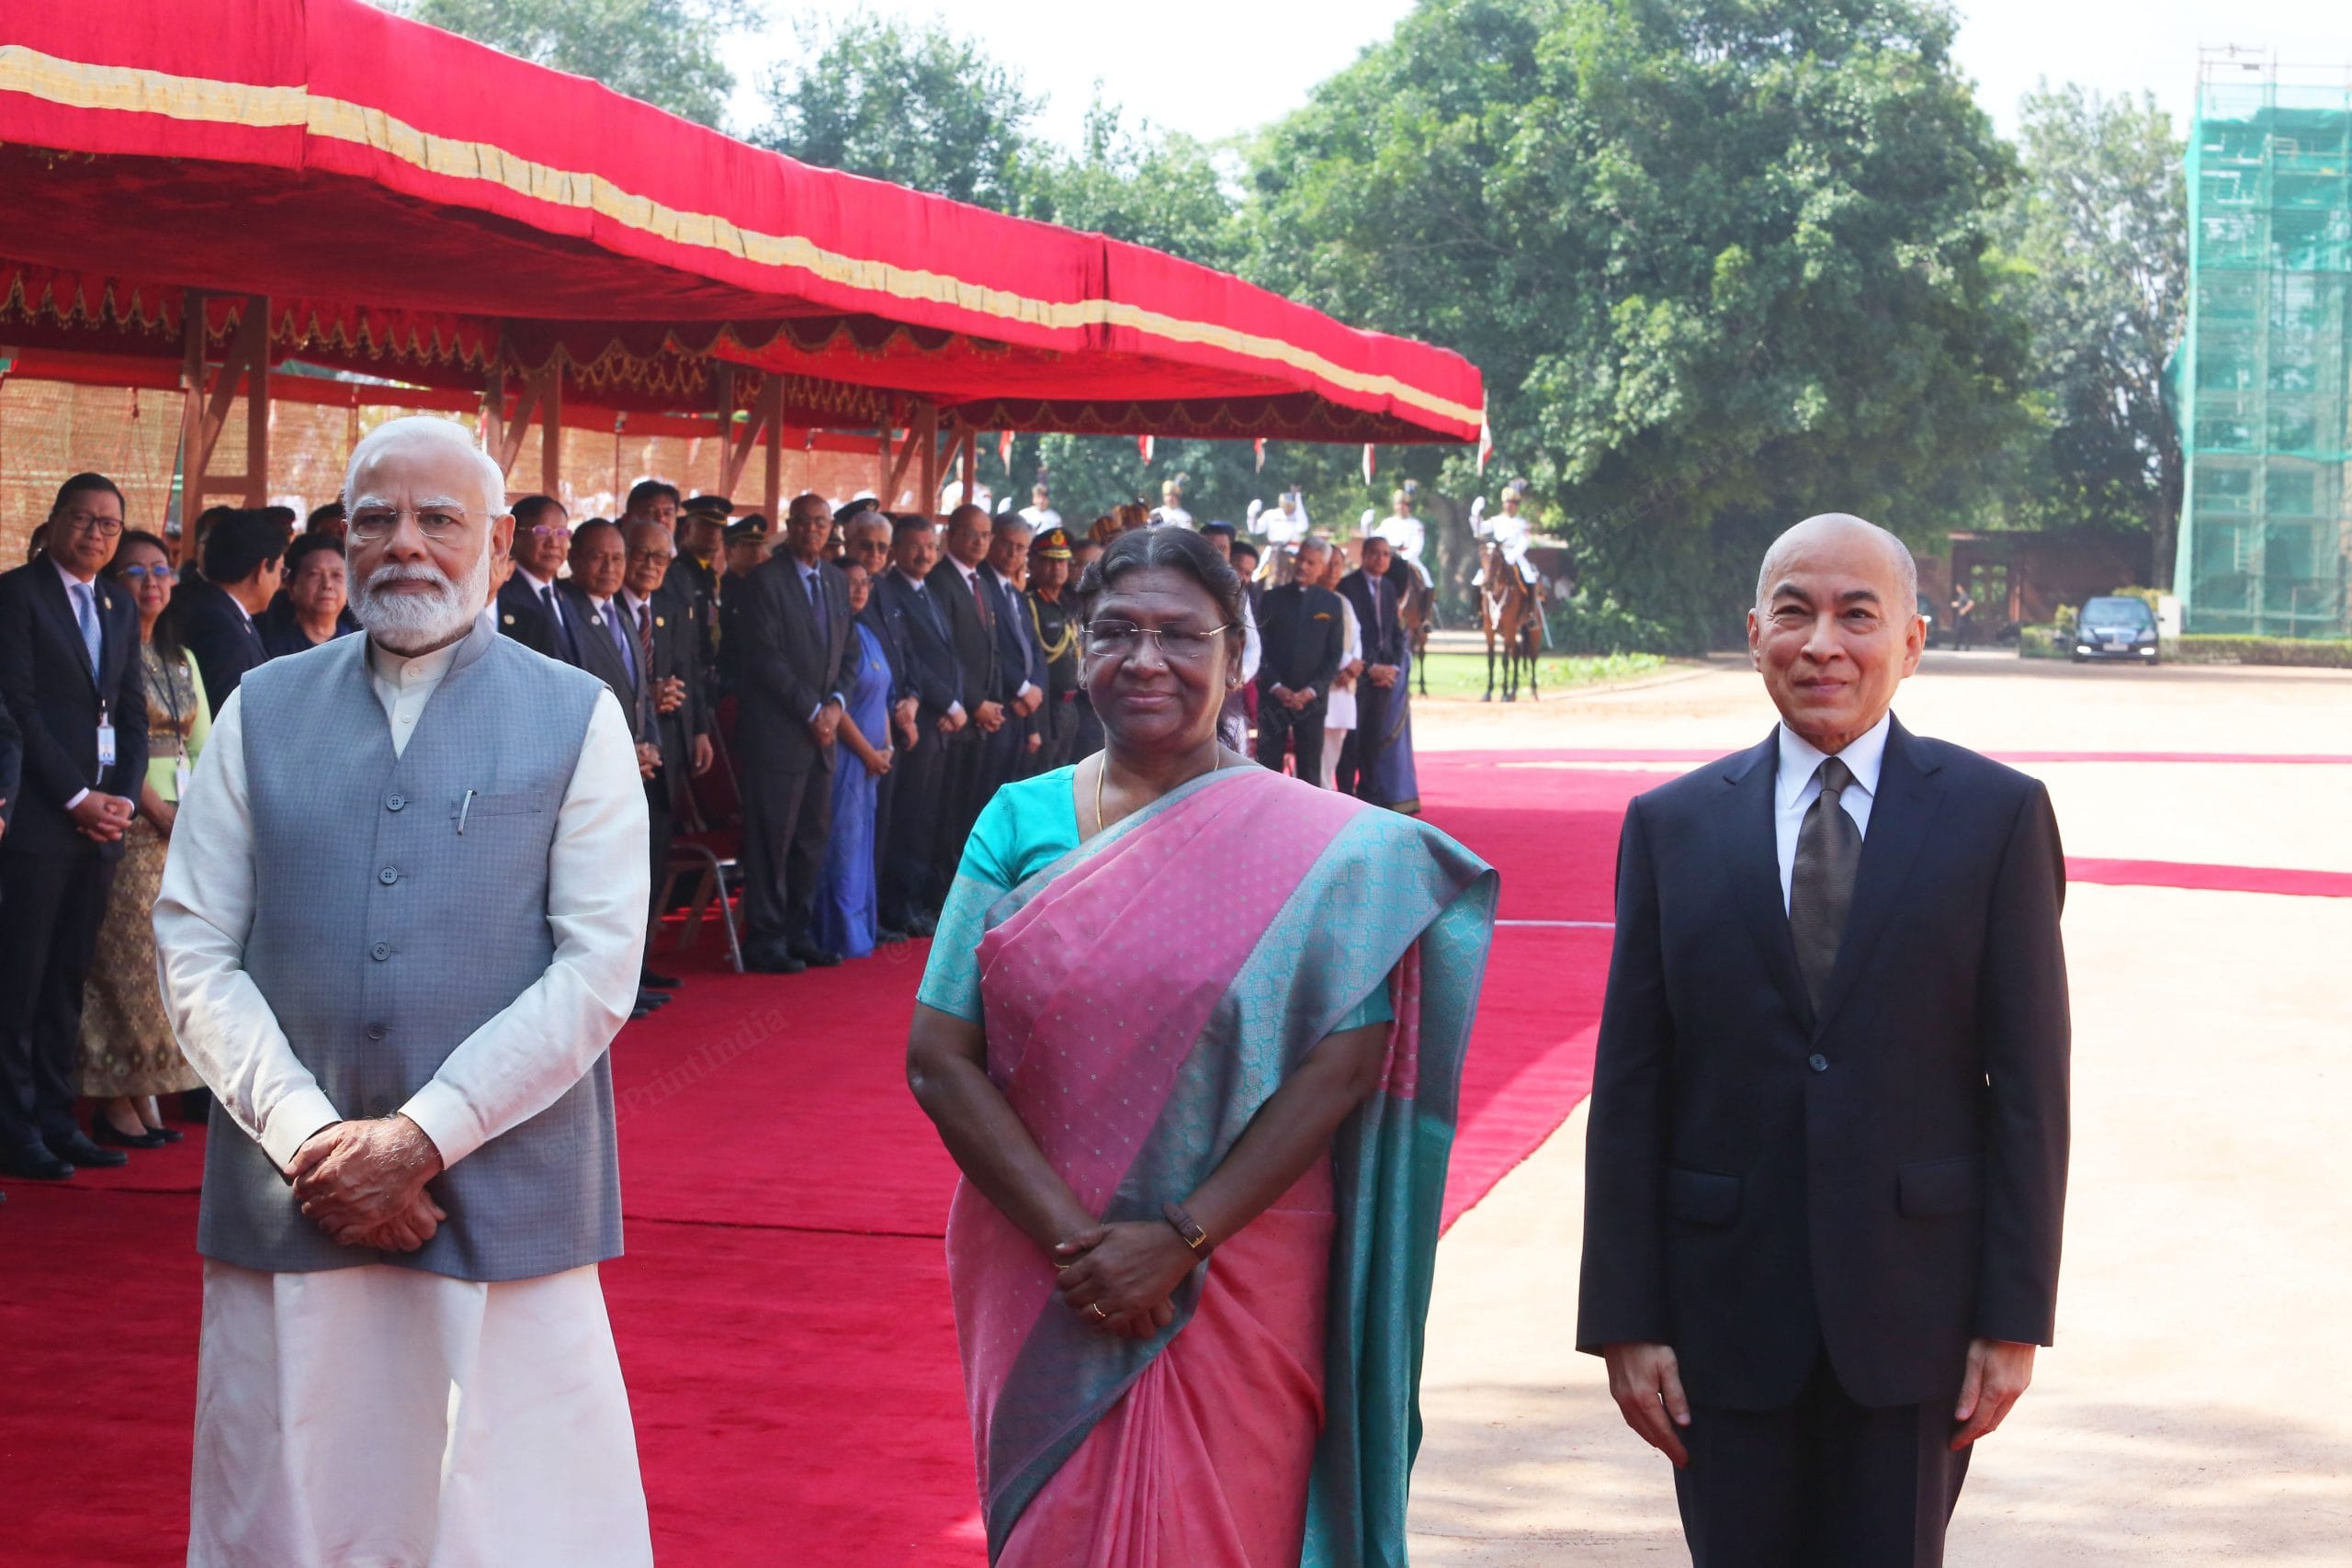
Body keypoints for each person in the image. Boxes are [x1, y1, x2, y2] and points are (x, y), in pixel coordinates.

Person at [907, 524, 1496, 1564]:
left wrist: (1178, 1240)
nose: (1145, 661)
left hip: (1238, 1264)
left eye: (1180, 636)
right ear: (1077, 646)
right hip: (1045, 1267)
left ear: (1236, 653)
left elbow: (1344, 1064)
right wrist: (1080, 1252)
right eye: (1114, 632)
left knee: (1229, 1523)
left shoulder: (1312, 844)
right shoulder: (1018, 820)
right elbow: (938, 1055)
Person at [156, 416, 652, 1565]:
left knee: (509, 1507)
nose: (405, 549)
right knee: (290, 1498)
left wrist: (423, 1138)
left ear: (494, 541)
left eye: (439, 521)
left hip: (501, 1187)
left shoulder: (575, 715)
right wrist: (314, 1143)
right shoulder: (260, 711)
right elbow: (193, 945)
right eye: (376, 520)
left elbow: (595, 968)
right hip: (296, 1193)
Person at [1577, 513, 2069, 1568]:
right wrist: (1625, 1316)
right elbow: (1631, 1084)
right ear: (1754, 632)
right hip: (1719, 1317)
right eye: (1794, 613)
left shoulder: (1996, 817)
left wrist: (2013, 1313)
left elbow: (2029, 1084)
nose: (1822, 644)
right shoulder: (1672, 826)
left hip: (1917, 1315)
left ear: (1912, 642)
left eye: (1857, 615)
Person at [0, 473, 142, 1180]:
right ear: (54, 521)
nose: (96, 533)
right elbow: (18, 707)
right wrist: (77, 797)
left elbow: (133, 710)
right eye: (83, 519)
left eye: (110, 524)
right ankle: (14, 1126)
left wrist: (117, 799)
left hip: (102, 826)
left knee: (68, 979)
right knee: (19, 980)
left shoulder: (118, 603)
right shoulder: (16, 595)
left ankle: (58, 1118)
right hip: (38, 818)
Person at [77, 529, 207, 1150]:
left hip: (183, 829)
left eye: (162, 569)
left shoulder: (182, 658)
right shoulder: (102, 647)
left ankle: (148, 1091)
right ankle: (115, 1099)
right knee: (122, 964)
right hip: (129, 820)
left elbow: (204, 745)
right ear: (112, 583)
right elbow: (108, 743)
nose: (152, 582)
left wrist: (199, 816)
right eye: (136, 571)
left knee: (165, 966)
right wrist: (154, 809)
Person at [735, 492, 853, 974]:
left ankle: (798, 933)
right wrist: (811, 710)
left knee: (811, 837)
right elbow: (764, 658)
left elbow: (847, 653)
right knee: (772, 840)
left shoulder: (837, 583)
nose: (813, 531)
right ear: (789, 526)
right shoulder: (764, 581)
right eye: (803, 522)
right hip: (779, 733)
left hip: (823, 733)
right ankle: (765, 940)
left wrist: (835, 706)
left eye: (821, 523)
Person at [621, 520, 713, 999]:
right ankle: (619, 978)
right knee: (620, 869)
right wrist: (647, 696)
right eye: (642, 554)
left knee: (655, 860)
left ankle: (642, 962)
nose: (651, 566)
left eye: (662, 559)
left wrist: (697, 726)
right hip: (622, 755)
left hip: (668, 750)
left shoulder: (671, 605)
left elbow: (689, 670)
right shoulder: (608, 606)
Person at [873, 514, 961, 938]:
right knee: (905, 819)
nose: (924, 554)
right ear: (896, 550)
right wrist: (946, 701)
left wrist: (955, 701)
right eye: (914, 546)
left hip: (941, 722)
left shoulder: (928, 591)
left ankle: (914, 900)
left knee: (928, 818)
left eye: (930, 546)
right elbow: (913, 662)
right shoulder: (888, 591)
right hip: (914, 721)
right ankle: (895, 905)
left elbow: (949, 652)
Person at [810, 559, 898, 959]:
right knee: (842, 846)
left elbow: (882, 694)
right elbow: (837, 705)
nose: (860, 590)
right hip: (847, 756)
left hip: (874, 760)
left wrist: (888, 747)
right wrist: (867, 752)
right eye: (850, 584)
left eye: (865, 583)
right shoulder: (832, 634)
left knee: (864, 844)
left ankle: (864, 929)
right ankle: (838, 935)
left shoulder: (868, 633)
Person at [928, 504, 1005, 900]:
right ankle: (940, 890)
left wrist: (990, 703)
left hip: (982, 718)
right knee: (946, 810)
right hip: (955, 714)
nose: (979, 542)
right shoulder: (940, 581)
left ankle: (962, 889)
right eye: (972, 533)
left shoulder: (982, 582)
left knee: (971, 811)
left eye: (985, 535)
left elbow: (989, 650)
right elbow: (946, 652)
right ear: (952, 534)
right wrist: (974, 703)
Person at [1337, 536, 1419, 813]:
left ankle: (1369, 799)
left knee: (1372, 740)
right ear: (1364, 555)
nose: (1381, 559)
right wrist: (1371, 667)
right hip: (1358, 676)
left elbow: (1395, 633)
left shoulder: (1390, 586)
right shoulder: (1348, 586)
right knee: (1353, 740)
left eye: (1386, 554)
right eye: (1375, 553)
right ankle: (1345, 797)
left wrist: (1393, 666)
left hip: (1384, 679)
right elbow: (1352, 635)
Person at [1253, 536, 1343, 784]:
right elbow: (1260, 649)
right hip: (1273, 699)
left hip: (1311, 703)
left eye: (1311, 563)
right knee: (1267, 770)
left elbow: (1333, 656)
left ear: (1322, 568)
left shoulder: (1332, 604)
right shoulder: (1272, 599)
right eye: (1301, 559)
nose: (1303, 566)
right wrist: (1276, 687)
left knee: (1310, 773)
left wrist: (1312, 690)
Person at [175, 507, 282, 715]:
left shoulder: (225, 612)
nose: (280, 581)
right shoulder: (219, 627)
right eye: (280, 569)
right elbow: (227, 713)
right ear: (261, 570)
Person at [982, 517, 1047, 785]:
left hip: (1024, 709)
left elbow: (1035, 650)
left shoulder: (1015, 593)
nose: (1013, 553)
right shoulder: (981, 585)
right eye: (1007, 545)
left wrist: (1036, 691)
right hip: (999, 705)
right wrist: (1022, 690)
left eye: (1021, 548)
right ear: (992, 541)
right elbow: (994, 648)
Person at [1022, 528, 1082, 774]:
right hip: (1044, 706)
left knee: (1065, 773)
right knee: (1040, 774)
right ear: (1033, 563)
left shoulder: (1069, 604)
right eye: (1048, 560)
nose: (1057, 567)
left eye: (1061, 561)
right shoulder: (1029, 604)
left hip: (1070, 706)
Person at [495, 494, 579, 661]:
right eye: (542, 531)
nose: (554, 542)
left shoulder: (568, 600)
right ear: (514, 535)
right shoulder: (500, 595)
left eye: (562, 532)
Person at [260, 533, 356, 658]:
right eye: (314, 574)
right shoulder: (271, 648)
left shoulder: (363, 645)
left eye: (336, 575)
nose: (327, 585)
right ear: (291, 586)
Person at [1317, 541, 1363, 791]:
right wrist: (1346, 664)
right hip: (1323, 685)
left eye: (1339, 565)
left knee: (1334, 749)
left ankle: (1326, 790)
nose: (1335, 570)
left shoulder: (1343, 601)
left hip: (1345, 687)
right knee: (1318, 752)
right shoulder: (1312, 599)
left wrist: (1355, 664)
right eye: (1330, 564)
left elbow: (1356, 636)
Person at [1471, 479, 1541, 588]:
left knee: (1529, 577)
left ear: (1517, 505)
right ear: (1503, 504)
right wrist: (1475, 514)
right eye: (1507, 502)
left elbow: (1524, 542)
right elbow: (1479, 529)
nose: (1510, 505)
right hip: (1497, 554)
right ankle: (1477, 605)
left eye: (1513, 503)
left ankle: (1533, 605)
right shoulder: (1496, 520)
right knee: (1478, 580)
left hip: (1516, 556)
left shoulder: (1523, 523)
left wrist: (1511, 556)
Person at [1364, 483, 1433, 589]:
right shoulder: (1388, 523)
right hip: (1387, 558)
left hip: (1408, 559)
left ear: (1408, 507)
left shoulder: (1416, 525)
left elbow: (1417, 547)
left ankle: (1431, 603)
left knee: (1427, 581)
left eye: (1404, 504)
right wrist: (1367, 525)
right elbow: (1374, 540)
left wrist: (1402, 556)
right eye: (1398, 504)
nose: (1401, 507)